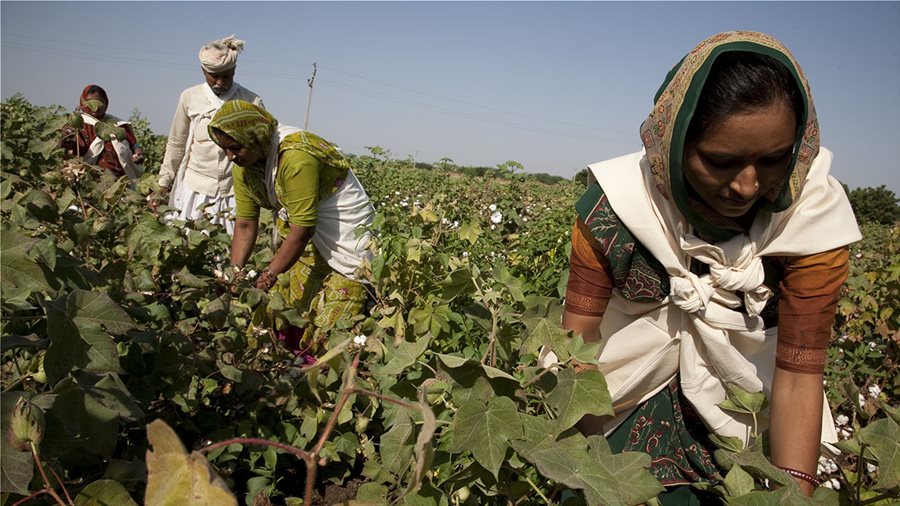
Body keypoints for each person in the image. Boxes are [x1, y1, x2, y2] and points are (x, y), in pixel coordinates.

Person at [559, 31, 861, 503]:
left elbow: (800, 376)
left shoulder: (813, 224)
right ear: (673, 143)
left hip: (754, 420)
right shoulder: (615, 208)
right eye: (720, 161)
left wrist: (787, 493)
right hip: (622, 404)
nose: (746, 185)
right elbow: (575, 348)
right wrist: (577, 469)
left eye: (774, 159)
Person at [208, 99, 375, 359]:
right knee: (288, 307)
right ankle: (279, 369)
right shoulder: (244, 168)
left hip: (341, 237)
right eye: (224, 149)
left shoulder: (296, 157)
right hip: (301, 240)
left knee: (330, 328)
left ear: (256, 138)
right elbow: (244, 223)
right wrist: (235, 272)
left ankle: (320, 386)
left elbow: (304, 227)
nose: (230, 156)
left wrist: (269, 274)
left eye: (235, 148)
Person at [153, 35, 264, 234]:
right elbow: (177, 143)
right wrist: (163, 183)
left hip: (234, 191)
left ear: (234, 71)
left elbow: (264, 149)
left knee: (228, 252)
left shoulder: (251, 101)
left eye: (226, 76)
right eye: (214, 75)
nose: (220, 82)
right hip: (195, 189)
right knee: (190, 245)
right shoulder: (190, 97)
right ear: (203, 71)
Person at [61, 84, 144, 181]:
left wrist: (139, 153)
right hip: (90, 178)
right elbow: (73, 151)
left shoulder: (118, 123)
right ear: (83, 103)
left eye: (100, 103)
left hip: (121, 178)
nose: (96, 107)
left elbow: (134, 143)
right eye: (91, 103)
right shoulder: (78, 124)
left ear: (106, 103)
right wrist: (67, 139)